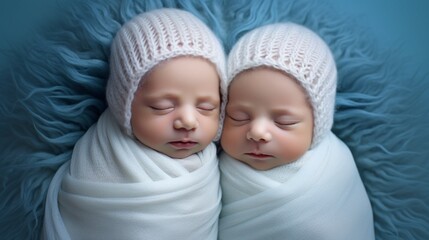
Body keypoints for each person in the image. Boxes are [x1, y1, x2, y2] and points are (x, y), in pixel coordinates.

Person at [42, 8, 227, 240]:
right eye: (162, 106)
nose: (188, 121)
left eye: (206, 108)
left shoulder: (215, 162)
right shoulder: (101, 157)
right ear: (124, 106)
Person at [218, 22, 375, 240]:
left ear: (317, 124)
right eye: (239, 117)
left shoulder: (334, 168)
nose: (257, 132)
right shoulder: (213, 167)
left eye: (284, 121)